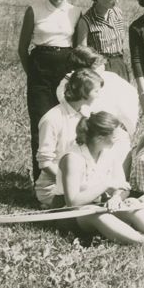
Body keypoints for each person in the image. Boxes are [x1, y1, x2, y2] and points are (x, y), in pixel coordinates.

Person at [59, 112, 144, 252]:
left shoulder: (107, 152)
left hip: (100, 204)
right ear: (100, 138)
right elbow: (72, 202)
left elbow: (124, 187)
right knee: (93, 212)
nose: (117, 139)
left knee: (133, 203)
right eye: (114, 136)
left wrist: (116, 197)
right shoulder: (73, 158)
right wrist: (106, 184)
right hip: (71, 214)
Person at [18, 0, 80, 181]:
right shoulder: (34, 10)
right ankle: (41, 182)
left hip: (66, 72)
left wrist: (71, 76)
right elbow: (22, 48)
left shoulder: (75, 12)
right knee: (41, 124)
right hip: (40, 71)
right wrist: (33, 74)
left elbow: (79, 47)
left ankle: (67, 178)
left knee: (67, 123)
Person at [34, 68, 103, 207]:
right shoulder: (52, 119)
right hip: (54, 187)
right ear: (84, 92)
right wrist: (74, 181)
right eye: (96, 91)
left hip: (84, 181)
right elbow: (45, 163)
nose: (99, 95)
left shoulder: (88, 114)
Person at [57, 46, 139, 137]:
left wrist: (127, 128)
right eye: (97, 66)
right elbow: (73, 112)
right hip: (84, 131)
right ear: (84, 72)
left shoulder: (111, 78)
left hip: (110, 128)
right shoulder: (67, 85)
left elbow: (129, 101)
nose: (103, 67)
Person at [73, 0, 129, 80]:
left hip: (119, 65)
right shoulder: (86, 21)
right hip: (99, 67)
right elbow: (82, 53)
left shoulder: (118, 13)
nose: (116, 1)